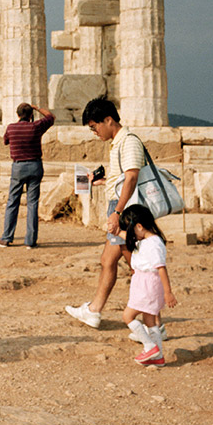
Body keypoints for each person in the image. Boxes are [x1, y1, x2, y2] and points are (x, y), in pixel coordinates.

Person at [65, 96, 165, 338]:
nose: (94, 132)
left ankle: (155, 326)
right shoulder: (119, 142)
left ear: (108, 120)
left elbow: (131, 177)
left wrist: (117, 212)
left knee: (138, 267)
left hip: (126, 211)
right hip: (122, 206)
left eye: (94, 126)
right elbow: (122, 177)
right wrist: (101, 182)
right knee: (111, 261)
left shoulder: (128, 141)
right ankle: (95, 310)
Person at [119, 204, 177, 366]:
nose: (131, 235)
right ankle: (158, 356)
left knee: (127, 316)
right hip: (145, 284)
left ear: (139, 226)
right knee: (149, 320)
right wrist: (116, 232)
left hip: (147, 286)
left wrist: (168, 292)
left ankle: (150, 346)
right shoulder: (149, 240)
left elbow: (161, 268)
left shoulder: (152, 244)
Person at [0, 102, 55, 248]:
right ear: (30, 115)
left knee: (12, 202)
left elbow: (5, 141)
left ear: (17, 114)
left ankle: (7, 237)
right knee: (32, 203)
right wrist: (37, 108)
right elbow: (51, 117)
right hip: (35, 165)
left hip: (18, 167)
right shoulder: (35, 126)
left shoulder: (11, 128)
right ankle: (30, 241)